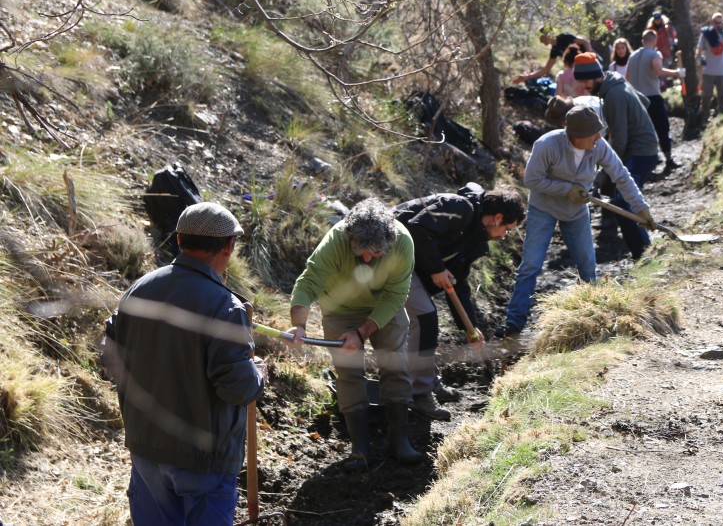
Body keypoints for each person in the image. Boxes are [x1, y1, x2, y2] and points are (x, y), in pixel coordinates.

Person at [105, 202, 265, 526]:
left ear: (179, 241)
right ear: (228, 247)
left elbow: (108, 359)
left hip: (147, 450)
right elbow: (238, 387)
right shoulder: (225, 306)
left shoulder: (138, 291)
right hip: (203, 462)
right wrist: (259, 373)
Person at [287, 198, 423, 471]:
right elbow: (309, 282)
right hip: (340, 309)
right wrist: (299, 325)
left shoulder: (402, 243)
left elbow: (397, 295)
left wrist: (362, 333)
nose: (367, 259)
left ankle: (399, 441)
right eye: (360, 251)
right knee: (348, 372)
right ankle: (360, 448)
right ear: (349, 237)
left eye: (375, 253)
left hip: (386, 305)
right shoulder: (335, 241)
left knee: (395, 365)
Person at [497, 105, 657, 337]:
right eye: (593, 134)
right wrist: (566, 189)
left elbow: (620, 175)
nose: (599, 138)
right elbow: (532, 180)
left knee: (587, 266)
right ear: (577, 137)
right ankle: (514, 323)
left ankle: (593, 316)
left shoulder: (598, 146)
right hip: (544, 208)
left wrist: (641, 208)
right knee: (531, 265)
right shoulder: (547, 145)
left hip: (576, 211)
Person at [395, 186, 525, 421]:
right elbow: (416, 227)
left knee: (427, 319)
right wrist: (436, 268)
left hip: (411, 263)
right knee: (425, 319)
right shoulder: (459, 208)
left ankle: (430, 383)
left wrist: (470, 327)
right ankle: (420, 393)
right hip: (391, 253)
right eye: (507, 228)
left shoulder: (475, 238)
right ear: (498, 218)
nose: (504, 236)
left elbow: (459, 282)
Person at [573, 52, 660, 260]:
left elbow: (619, 141)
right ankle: (643, 252)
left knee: (622, 203)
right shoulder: (616, 80)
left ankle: (644, 255)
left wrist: (604, 173)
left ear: (595, 76)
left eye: (586, 81)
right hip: (642, 148)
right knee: (623, 201)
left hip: (641, 152)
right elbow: (644, 102)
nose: (584, 86)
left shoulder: (613, 95)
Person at [625, 29, 682, 168]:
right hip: (652, 97)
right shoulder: (654, 54)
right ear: (655, 41)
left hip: (637, 98)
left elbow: (627, 77)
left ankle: (650, 160)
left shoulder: (632, 56)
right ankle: (668, 159)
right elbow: (659, 71)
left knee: (642, 130)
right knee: (662, 127)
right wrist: (676, 73)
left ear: (642, 41)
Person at [695, 12, 723, 123]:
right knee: (706, 96)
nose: (718, 25)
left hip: (722, 71)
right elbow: (699, 49)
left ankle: (722, 118)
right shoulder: (705, 34)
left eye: (720, 23)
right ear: (711, 22)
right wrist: (699, 58)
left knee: (722, 96)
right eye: (715, 22)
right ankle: (704, 118)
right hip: (708, 71)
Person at [512, 28, 591, 84]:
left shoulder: (563, 37)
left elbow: (584, 42)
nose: (540, 41)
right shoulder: (554, 50)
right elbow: (546, 69)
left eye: (541, 37)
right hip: (580, 68)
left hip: (589, 62)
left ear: (547, 35)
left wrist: (590, 57)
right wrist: (527, 77)